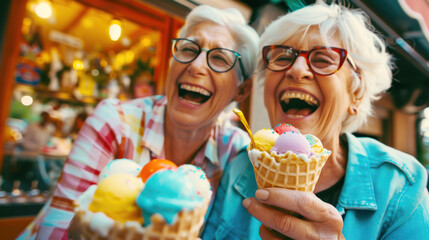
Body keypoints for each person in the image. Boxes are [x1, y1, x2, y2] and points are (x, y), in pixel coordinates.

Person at [17, 5, 260, 240]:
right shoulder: (114, 121)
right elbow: (53, 231)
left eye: (219, 58)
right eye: (188, 49)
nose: (196, 65)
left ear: (241, 90)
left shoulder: (236, 152)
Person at [241, 1, 429, 239]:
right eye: (281, 57)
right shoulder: (238, 166)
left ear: (356, 95)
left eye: (322, 59)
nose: (297, 69)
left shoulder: (401, 187)